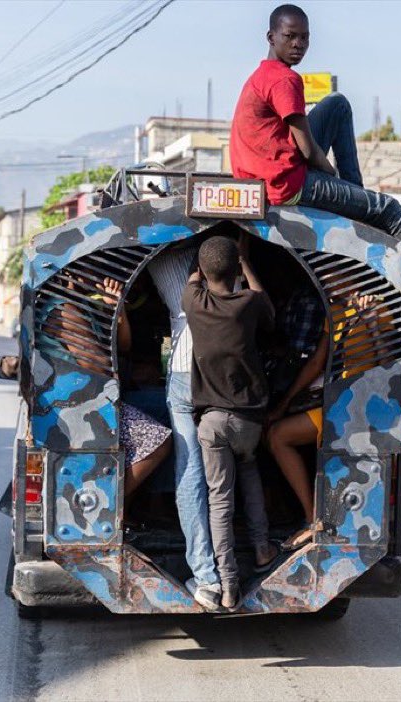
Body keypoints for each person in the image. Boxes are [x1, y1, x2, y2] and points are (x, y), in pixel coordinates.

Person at [230, 4, 401, 317]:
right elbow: (308, 151)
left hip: (265, 174)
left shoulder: (263, 75)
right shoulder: (284, 80)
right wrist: (329, 174)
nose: (299, 45)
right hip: (285, 184)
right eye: (290, 37)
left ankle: (357, 206)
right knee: (387, 208)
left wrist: (345, 189)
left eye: (305, 38)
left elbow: (298, 139)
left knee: (337, 104)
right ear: (271, 36)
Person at [182, 234, 280, 611]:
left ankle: (227, 585)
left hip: (211, 422)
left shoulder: (194, 301)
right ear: (236, 269)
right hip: (249, 421)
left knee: (220, 500)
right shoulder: (250, 304)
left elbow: (193, 279)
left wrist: (203, 264)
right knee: (250, 470)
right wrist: (246, 263)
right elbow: (265, 303)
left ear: (205, 273)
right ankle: (261, 548)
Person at [266, 290, 386, 550]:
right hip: (336, 404)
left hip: (362, 408)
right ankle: (313, 519)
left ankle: (316, 521)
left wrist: (372, 323)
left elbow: (389, 364)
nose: (329, 286)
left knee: (280, 437)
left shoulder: (379, 309)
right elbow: (318, 362)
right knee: (277, 434)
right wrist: (285, 403)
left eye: (333, 280)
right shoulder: (336, 312)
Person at [47, 276, 172, 500]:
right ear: (69, 275)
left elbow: (124, 346)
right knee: (159, 441)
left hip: (99, 398)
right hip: (84, 407)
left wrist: (118, 308)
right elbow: (100, 368)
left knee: (169, 406)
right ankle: (111, 505)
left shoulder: (80, 304)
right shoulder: (63, 310)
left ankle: (154, 504)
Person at [147, 243, 223, 611]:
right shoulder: (232, 253)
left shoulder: (159, 246)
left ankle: (207, 577)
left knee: (191, 469)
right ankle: (228, 569)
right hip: (225, 373)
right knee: (224, 471)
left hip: (183, 370)